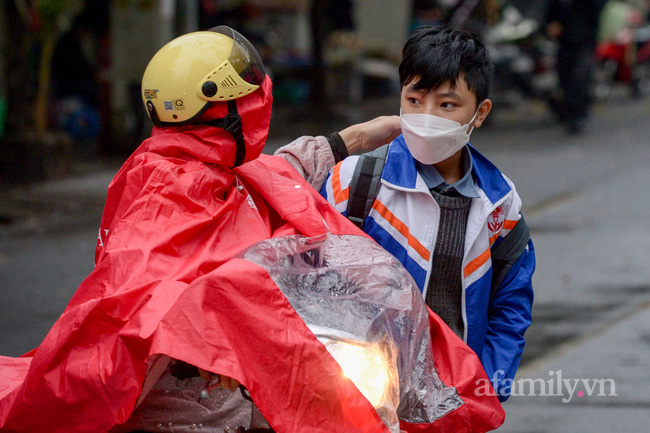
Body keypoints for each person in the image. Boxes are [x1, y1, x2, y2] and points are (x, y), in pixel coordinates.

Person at [0, 26, 505, 433]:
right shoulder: (163, 187)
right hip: (186, 399)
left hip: (250, 381)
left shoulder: (214, 164)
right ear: (231, 111)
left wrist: (358, 135)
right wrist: (219, 308)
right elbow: (138, 297)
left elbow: (280, 171)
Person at [277, 25, 535, 402]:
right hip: (360, 393)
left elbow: (510, 304)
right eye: (415, 100)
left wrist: (487, 387)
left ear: (479, 113)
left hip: (453, 397)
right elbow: (299, 279)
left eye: (447, 105)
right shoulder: (355, 181)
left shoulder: (499, 203)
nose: (427, 115)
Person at [546, 0, 608, 135]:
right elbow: (551, 18)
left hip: (584, 44)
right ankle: (570, 114)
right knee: (565, 80)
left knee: (580, 79)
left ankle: (580, 114)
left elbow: (594, 19)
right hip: (564, 45)